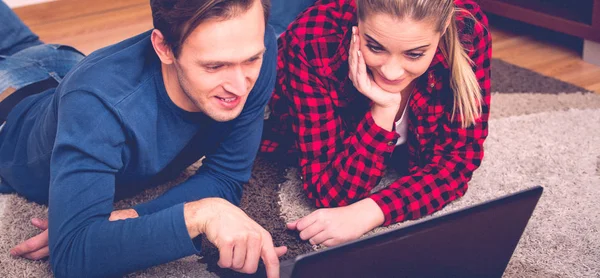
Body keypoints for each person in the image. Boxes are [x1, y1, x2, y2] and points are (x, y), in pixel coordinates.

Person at [0, 0, 286, 277]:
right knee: (22, 55)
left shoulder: (254, 43)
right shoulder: (95, 104)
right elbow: (73, 257)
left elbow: (226, 176)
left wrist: (132, 218)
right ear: (164, 48)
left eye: (251, 60)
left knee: (22, 46)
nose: (239, 86)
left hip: (62, 65)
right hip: (11, 102)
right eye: (214, 66)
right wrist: (199, 214)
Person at [261, 0, 492, 247]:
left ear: (445, 25)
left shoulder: (467, 26)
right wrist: (383, 111)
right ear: (358, 20)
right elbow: (329, 191)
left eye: (415, 54)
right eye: (375, 47)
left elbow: (458, 160)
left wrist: (370, 212)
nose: (392, 73)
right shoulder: (314, 37)